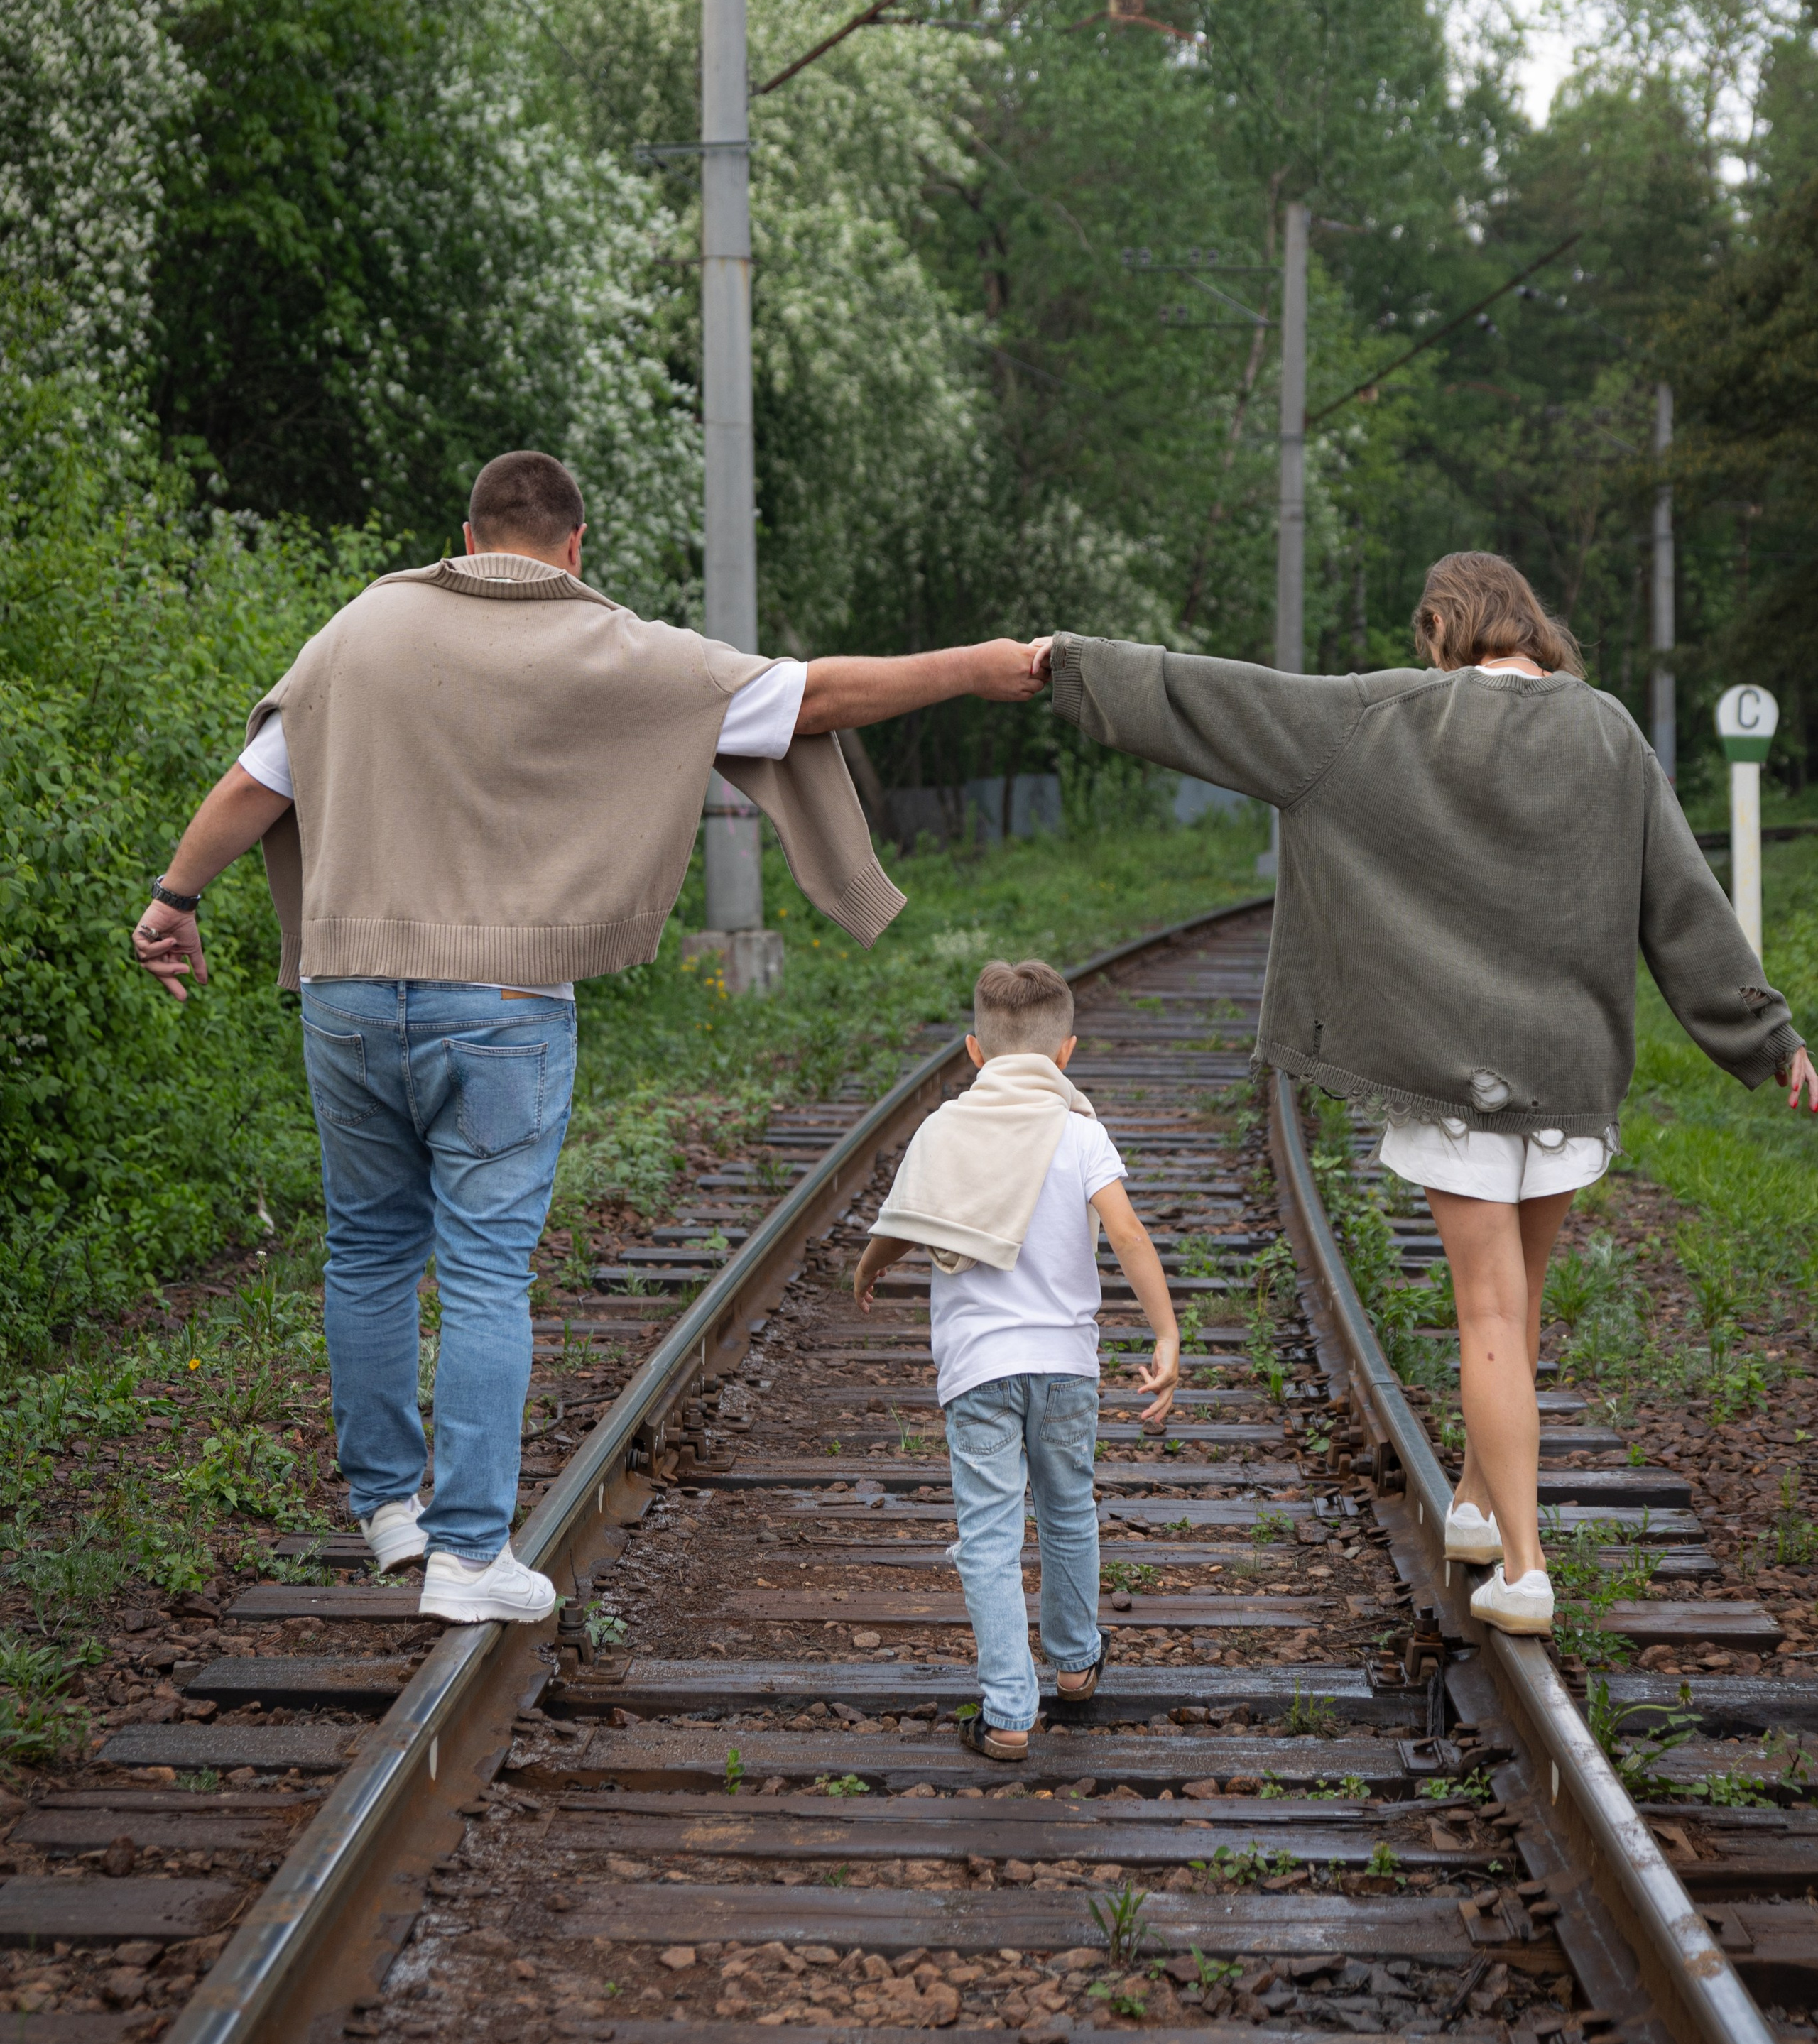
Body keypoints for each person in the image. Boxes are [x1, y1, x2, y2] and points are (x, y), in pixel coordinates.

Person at [133, 450, 1046, 1626]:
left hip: (350, 989)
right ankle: (469, 1552)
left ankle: (388, 1512)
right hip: (502, 1008)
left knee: (365, 1249)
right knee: (482, 1270)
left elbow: (258, 780)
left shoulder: (359, 631)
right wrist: (975, 669)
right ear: (574, 548)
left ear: (463, 534)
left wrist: (176, 902)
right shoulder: (607, 645)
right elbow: (811, 698)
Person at [1030, 552, 1814, 1638]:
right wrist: (1769, 1040)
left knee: (1488, 1316)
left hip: (1456, 1082)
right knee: (1521, 1313)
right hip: (1572, 1077)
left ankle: (1527, 1569)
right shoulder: (1611, 733)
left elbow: (1211, 698)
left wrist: (1067, 666)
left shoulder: (1385, 718)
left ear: (1447, 621)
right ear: (1531, 625)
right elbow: (1681, 898)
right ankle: (1480, 1510)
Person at [852, 958, 1180, 1757]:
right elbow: (1129, 1234)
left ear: (973, 1051)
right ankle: (1074, 1666)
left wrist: (871, 1263)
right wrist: (1165, 1334)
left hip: (979, 1373)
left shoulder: (945, 1128)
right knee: (1069, 1512)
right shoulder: (1080, 1132)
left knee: (989, 1537)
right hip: (1066, 1366)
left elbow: (907, 1216)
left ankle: (1007, 1712)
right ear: (1065, 1053)